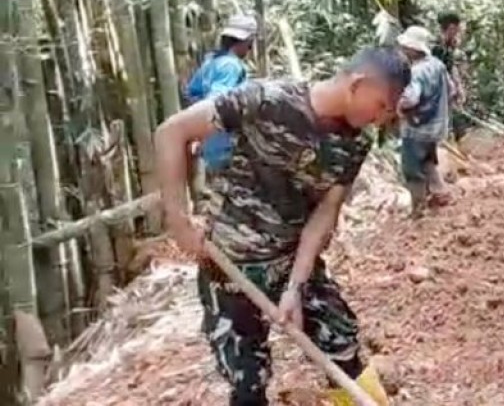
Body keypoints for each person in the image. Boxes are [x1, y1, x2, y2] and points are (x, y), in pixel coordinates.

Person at [155, 48, 412, 406]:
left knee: (342, 347)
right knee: (247, 381)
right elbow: (172, 132)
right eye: (383, 105)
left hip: (292, 262)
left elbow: (324, 215)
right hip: (229, 265)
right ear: (359, 84)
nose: (383, 118)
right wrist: (180, 222)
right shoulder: (265, 99)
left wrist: (296, 286)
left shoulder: (356, 143)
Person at [184, 15, 258, 175]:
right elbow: (218, 100)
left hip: (208, 140)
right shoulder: (231, 66)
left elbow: (191, 93)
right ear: (247, 42)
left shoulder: (211, 62)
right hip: (224, 141)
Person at [397, 25, 452, 216]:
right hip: (436, 127)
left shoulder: (416, 72)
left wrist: (398, 104)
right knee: (428, 162)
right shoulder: (438, 65)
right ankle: (440, 193)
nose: (403, 50)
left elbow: (410, 99)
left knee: (411, 168)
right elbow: (451, 90)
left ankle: (418, 209)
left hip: (416, 129)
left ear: (414, 48)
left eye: (406, 47)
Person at [432, 11, 470, 142]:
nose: (458, 33)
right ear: (452, 28)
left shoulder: (449, 45)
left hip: (446, 87)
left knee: (455, 117)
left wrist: (458, 86)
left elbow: (450, 65)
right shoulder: (435, 46)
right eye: (457, 29)